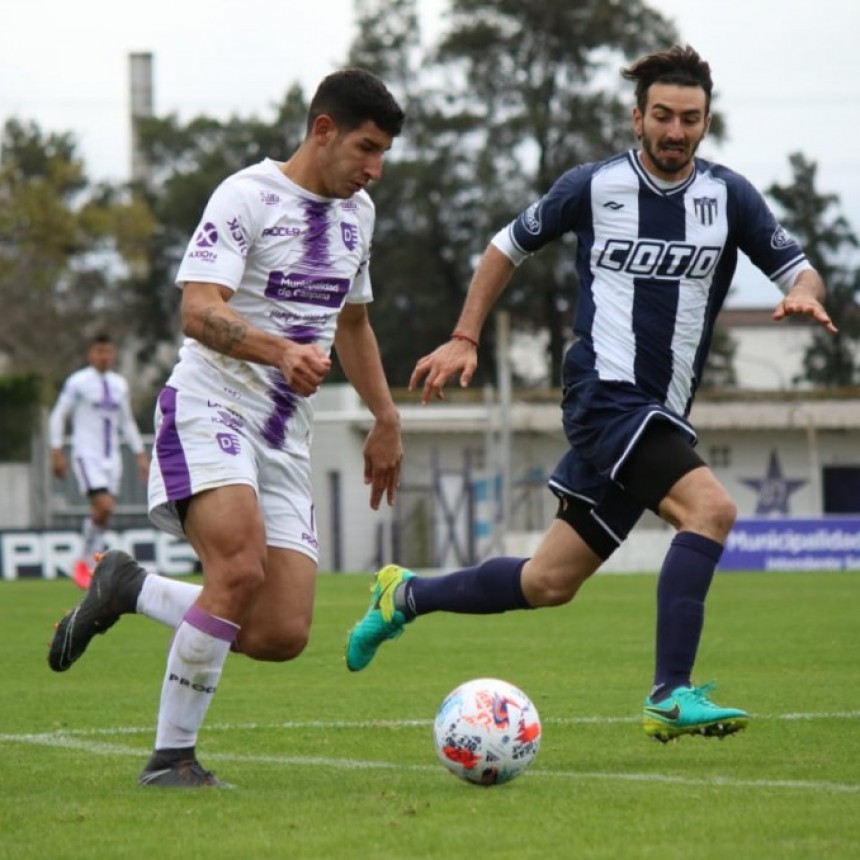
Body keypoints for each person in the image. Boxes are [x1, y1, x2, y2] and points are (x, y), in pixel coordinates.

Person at [345, 45, 838, 743]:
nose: (675, 131)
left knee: (549, 582)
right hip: (604, 394)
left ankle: (404, 596)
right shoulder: (594, 186)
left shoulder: (729, 198)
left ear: (706, 123)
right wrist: (465, 336)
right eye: (662, 116)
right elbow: (505, 246)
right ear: (637, 117)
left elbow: (803, 269)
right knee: (712, 510)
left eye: (689, 119)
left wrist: (801, 295)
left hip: (660, 411)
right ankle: (669, 694)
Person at [48, 68, 406, 786]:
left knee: (280, 634)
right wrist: (278, 349)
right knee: (237, 567)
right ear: (323, 130)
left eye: (384, 156)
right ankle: (171, 758)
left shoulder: (358, 216)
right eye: (366, 148)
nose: (373, 170)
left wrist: (386, 415)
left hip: (283, 437)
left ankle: (129, 589)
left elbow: (356, 322)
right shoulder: (247, 195)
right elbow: (196, 308)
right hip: (209, 406)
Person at [49, 333, 150, 589]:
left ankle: (88, 564)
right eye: (98, 351)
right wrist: (57, 450)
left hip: (111, 457)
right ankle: (83, 562)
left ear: (113, 354)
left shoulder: (119, 384)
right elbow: (59, 415)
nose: (104, 356)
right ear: (90, 354)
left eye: (107, 352)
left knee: (104, 513)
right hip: (87, 455)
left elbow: (126, 422)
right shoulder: (78, 382)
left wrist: (140, 454)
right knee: (103, 506)